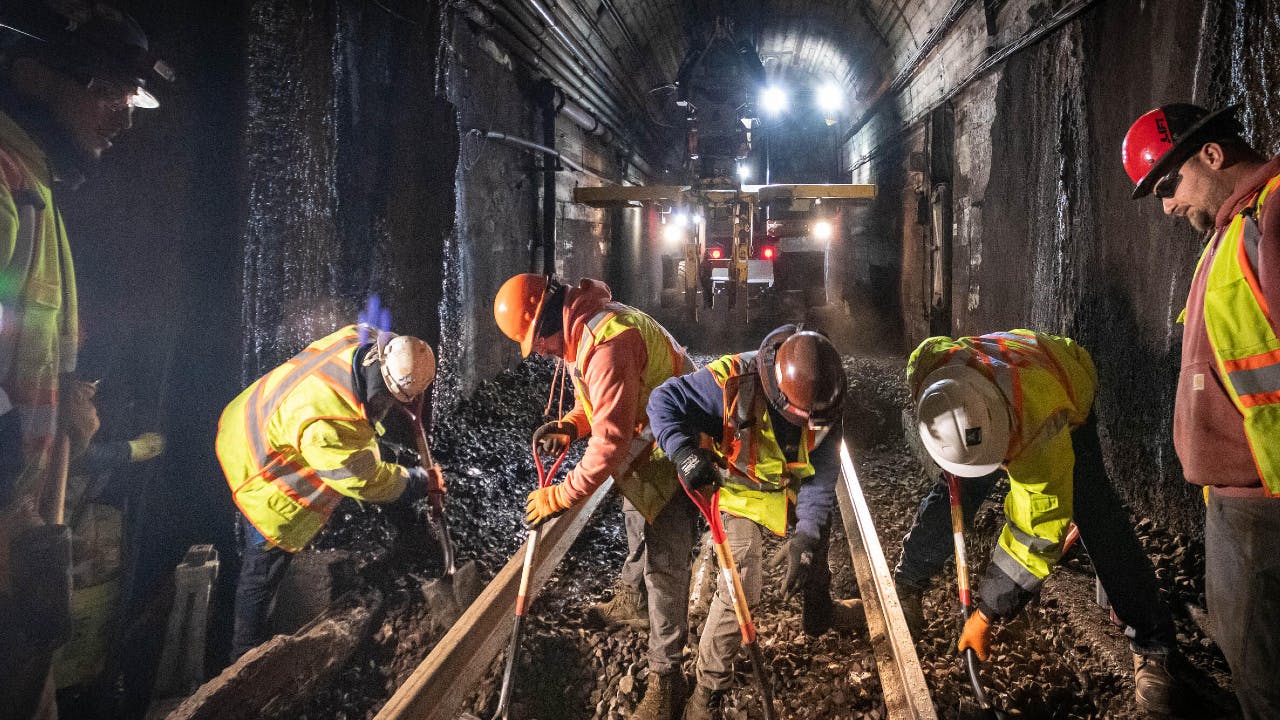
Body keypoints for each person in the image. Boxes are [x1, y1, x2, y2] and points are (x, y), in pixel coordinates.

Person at [0, 3, 170, 717]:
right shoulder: (5, 187)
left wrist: (64, 409)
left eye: (131, 97)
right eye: (108, 90)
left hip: (27, 531)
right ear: (35, 74)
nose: (124, 118)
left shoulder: (37, 194)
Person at [895, 329, 1177, 715]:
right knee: (953, 492)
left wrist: (986, 613)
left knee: (1096, 515)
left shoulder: (1042, 433)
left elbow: (1037, 535)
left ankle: (1152, 640)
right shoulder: (937, 374)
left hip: (1063, 392)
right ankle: (908, 581)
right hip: (997, 388)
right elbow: (928, 354)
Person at [1124, 103, 1280, 718]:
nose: (1166, 206)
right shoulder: (1228, 231)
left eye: (1169, 185)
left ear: (1211, 155)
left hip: (1265, 510)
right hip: (1242, 509)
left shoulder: (1272, 214)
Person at [493, 273, 696, 717]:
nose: (540, 351)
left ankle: (667, 680)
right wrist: (572, 424)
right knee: (634, 511)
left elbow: (610, 444)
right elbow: (599, 403)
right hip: (650, 434)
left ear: (547, 318)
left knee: (666, 561)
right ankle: (632, 599)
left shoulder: (606, 344)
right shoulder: (582, 328)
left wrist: (561, 495)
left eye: (535, 341)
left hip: (679, 444)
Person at [647, 325, 863, 720]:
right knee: (743, 582)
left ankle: (819, 611)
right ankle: (707, 690)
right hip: (737, 488)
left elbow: (824, 470)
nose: (811, 427)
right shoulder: (728, 380)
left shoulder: (826, 400)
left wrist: (806, 536)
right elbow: (662, 400)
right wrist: (683, 452)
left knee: (816, 539)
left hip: (786, 485)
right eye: (803, 420)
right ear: (780, 398)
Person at [216, 325, 443, 661]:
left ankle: (412, 540)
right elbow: (365, 482)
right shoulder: (328, 427)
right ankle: (243, 659)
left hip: (254, 410)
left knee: (389, 458)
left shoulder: (362, 337)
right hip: (258, 466)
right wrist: (421, 480)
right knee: (263, 570)